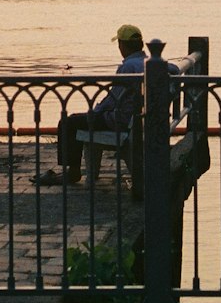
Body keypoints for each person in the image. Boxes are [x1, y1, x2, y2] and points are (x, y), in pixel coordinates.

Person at [37, 24, 152, 186]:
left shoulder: (129, 67)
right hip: (141, 120)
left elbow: (113, 99)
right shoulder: (149, 62)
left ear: (122, 45)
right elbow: (174, 68)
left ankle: (73, 172)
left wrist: (94, 112)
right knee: (77, 120)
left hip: (120, 120)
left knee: (68, 123)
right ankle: (74, 171)